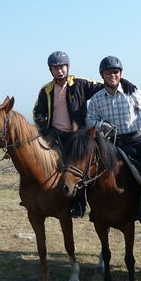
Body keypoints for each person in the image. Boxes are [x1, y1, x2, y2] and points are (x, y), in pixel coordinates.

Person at [86, 55, 141, 221]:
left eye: (115, 71)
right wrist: (101, 125)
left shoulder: (131, 92)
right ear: (102, 75)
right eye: (108, 72)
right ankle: (92, 207)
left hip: (135, 140)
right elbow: (89, 119)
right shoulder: (97, 99)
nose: (112, 75)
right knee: (89, 171)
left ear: (120, 73)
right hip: (111, 144)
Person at [33, 51, 103, 218]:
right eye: (55, 68)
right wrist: (45, 129)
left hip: (77, 136)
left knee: (80, 168)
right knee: (41, 160)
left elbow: (104, 85)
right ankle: (39, 196)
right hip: (55, 134)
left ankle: (80, 204)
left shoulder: (80, 84)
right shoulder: (46, 90)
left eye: (62, 67)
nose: (59, 71)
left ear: (68, 67)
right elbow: (38, 113)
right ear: (50, 70)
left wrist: (122, 81)